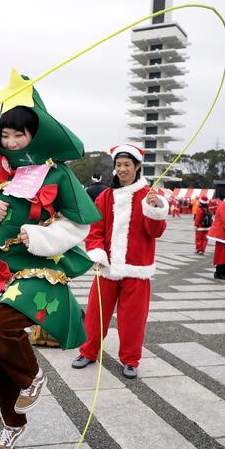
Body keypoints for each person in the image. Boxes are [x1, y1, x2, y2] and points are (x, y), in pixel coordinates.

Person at [0, 74, 101, 449]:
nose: (11, 143)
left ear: (36, 132)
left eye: (20, 135)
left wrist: (42, 237)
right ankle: (11, 424)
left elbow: (80, 223)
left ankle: (33, 376)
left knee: (1, 326)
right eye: (5, 135)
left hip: (35, 266)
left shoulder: (58, 173)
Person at [72, 144, 168, 379]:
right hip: (107, 268)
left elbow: (155, 232)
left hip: (137, 270)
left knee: (133, 320)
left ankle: (131, 360)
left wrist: (154, 209)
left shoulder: (150, 196)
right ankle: (88, 351)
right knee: (96, 314)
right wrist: (96, 255)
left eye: (127, 165)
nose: (122, 169)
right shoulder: (105, 196)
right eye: (118, 165)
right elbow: (94, 230)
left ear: (137, 167)